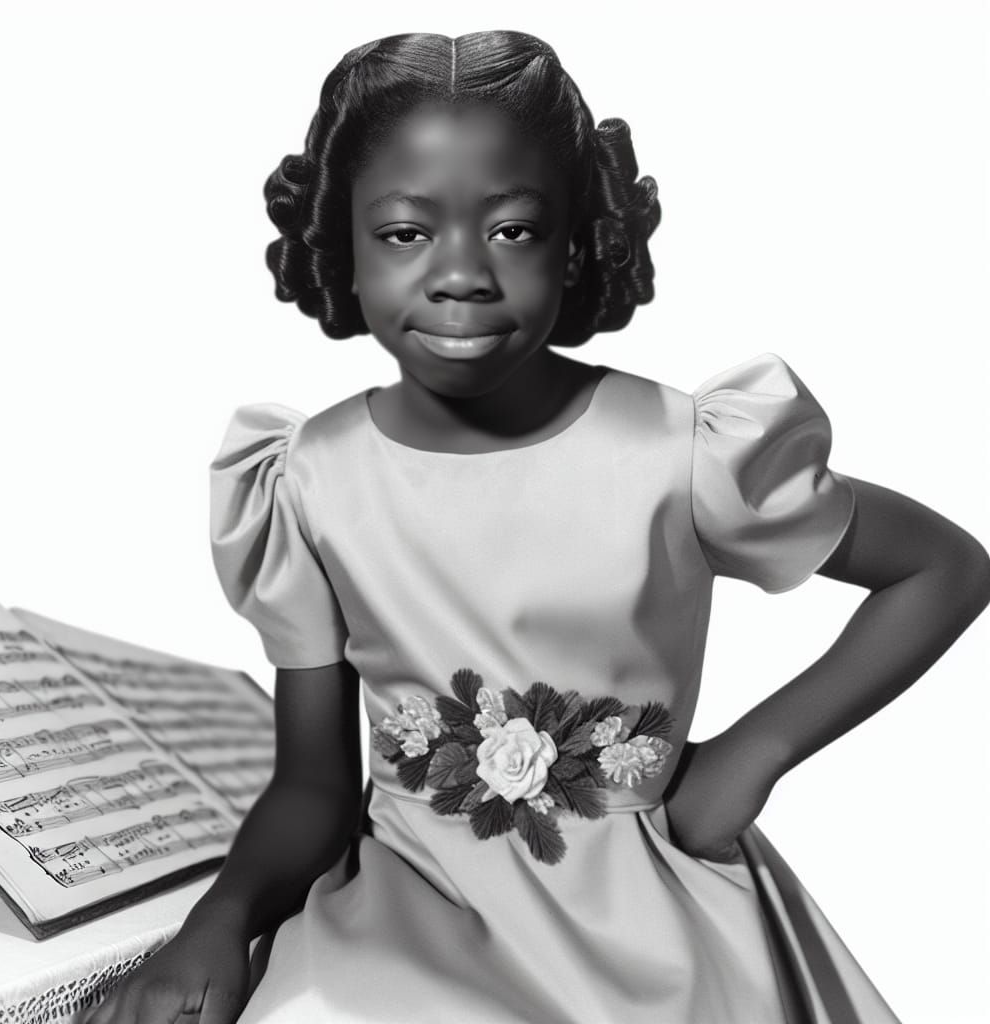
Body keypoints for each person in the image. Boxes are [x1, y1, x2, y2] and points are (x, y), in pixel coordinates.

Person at [80, 30, 990, 1024]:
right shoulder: (306, 480)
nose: (461, 273)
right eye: (403, 232)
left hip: (650, 923)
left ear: (579, 240)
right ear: (339, 244)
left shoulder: (682, 451)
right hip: (411, 913)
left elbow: (941, 568)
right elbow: (312, 787)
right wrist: (218, 918)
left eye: (512, 229)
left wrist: (753, 753)